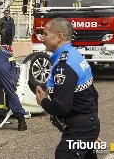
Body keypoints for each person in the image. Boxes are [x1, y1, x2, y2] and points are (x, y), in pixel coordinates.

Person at [35, 17, 100, 159]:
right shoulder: (75, 55)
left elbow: (61, 107)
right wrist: (91, 128)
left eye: (45, 34)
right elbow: (93, 95)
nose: (42, 38)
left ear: (59, 36)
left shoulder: (64, 66)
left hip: (80, 129)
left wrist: (43, 101)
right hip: (86, 126)